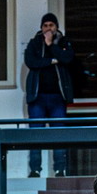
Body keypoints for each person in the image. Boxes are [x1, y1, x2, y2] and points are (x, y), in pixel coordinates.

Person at [24, 13, 74, 178]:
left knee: (58, 135)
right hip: (37, 98)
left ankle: (60, 170)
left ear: (56, 27)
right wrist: (52, 61)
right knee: (36, 136)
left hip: (57, 99)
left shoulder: (64, 42)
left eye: (51, 25)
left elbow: (67, 59)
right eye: (45, 25)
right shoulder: (34, 43)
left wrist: (51, 45)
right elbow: (31, 62)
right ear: (41, 27)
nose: (48, 28)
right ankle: (35, 169)